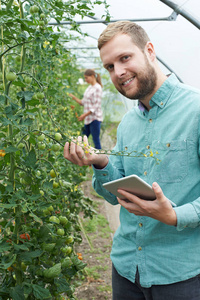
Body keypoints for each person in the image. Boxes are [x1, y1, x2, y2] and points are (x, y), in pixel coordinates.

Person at [64, 21, 200, 300]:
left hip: (181, 276)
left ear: (149, 51)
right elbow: (114, 197)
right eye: (110, 67)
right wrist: (100, 162)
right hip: (126, 269)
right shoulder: (128, 123)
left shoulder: (195, 110)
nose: (119, 72)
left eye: (125, 58)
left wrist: (174, 216)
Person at [69, 69, 103, 149]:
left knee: (95, 140)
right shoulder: (89, 88)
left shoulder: (97, 88)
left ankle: (99, 160)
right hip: (87, 119)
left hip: (95, 119)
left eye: (86, 78)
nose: (85, 80)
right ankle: (82, 158)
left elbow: (96, 106)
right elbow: (83, 102)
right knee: (82, 139)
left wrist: (84, 115)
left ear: (92, 76)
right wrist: (74, 97)